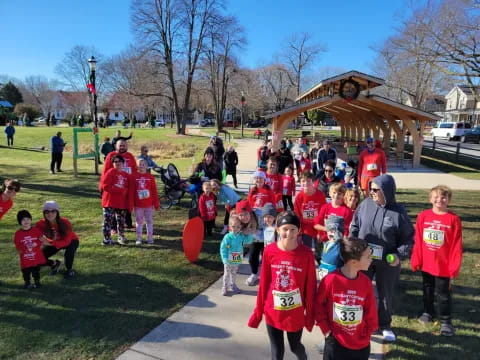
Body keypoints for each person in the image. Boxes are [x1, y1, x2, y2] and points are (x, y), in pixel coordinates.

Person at [350, 174, 414, 342]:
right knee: (360, 290)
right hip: (365, 258)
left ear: (386, 191)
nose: (371, 193)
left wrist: (398, 255)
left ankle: (385, 325)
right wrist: (353, 244)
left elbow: (408, 239)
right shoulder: (365, 205)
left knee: (385, 293)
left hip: (387, 261)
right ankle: (361, 321)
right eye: (370, 189)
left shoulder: (399, 213)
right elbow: (355, 225)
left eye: (375, 190)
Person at [248, 211, 317, 360]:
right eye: (285, 229)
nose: (289, 233)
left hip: (295, 313)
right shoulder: (270, 251)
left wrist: (310, 314)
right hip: (273, 310)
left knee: (295, 346)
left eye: (293, 229)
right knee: (276, 350)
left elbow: (310, 286)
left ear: (299, 231)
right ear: (277, 230)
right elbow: (264, 284)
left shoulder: (306, 254)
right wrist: (258, 311)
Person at [410, 185, 463, 337]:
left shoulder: (453, 219)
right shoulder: (423, 216)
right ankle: (427, 312)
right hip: (427, 263)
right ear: (430, 199)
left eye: (444, 197)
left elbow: (456, 245)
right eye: (436, 196)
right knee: (427, 289)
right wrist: (416, 259)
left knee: (443, 294)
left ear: (449, 200)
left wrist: (453, 267)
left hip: (443, 266)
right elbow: (418, 240)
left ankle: (446, 321)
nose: (440, 200)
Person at [316, 237, 379, 360]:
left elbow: (370, 311)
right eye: (367, 257)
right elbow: (318, 305)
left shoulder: (366, 282)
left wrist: (367, 334)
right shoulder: (331, 280)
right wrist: (326, 330)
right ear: (353, 262)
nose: (371, 260)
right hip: (335, 343)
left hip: (360, 345)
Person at [246, 171, 276, 286]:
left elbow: (273, 207)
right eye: (256, 178)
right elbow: (248, 206)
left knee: (266, 253)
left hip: (266, 224)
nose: (258, 180)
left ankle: (265, 275)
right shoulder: (252, 191)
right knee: (253, 254)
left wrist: (271, 222)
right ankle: (254, 274)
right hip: (255, 225)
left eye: (260, 178)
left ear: (264, 180)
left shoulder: (269, 191)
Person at [36, 201, 80, 278]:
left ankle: (69, 270)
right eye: (47, 211)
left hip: (71, 241)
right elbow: (35, 237)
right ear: (44, 213)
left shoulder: (65, 222)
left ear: (57, 212)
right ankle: (55, 264)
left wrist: (50, 243)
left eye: (53, 211)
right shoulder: (40, 224)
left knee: (69, 252)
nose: (50, 214)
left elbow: (66, 242)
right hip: (53, 242)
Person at [100, 155, 133, 245]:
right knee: (108, 221)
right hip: (109, 201)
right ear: (113, 163)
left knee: (121, 221)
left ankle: (121, 237)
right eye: (115, 161)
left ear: (123, 163)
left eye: (119, 161)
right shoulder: (110, 172)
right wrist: (120, 190)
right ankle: (106, 239)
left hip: (121, 203)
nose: (117, 163)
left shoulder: (126, 175)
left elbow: (128, 189)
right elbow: (105, 186)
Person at [220, 216, 253, 296]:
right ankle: (225, 287)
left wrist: (248, 234)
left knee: (234, 273)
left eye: (238, 226)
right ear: (230, 227)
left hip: (237, 259)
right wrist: (224, 259)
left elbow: (249, 241)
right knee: (227, 274)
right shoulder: (228, 237)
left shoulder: (241, 236)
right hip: (228, 260)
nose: (236, 228)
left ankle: (233, 285)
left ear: (241, 227)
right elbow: (223, 248)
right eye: (233, 226)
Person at [294, 171, 326, 251]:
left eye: (308, 180)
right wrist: (299, 233)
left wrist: (320, 232)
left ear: (313, 182)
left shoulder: (320, 195)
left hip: (318, 226)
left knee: (319, 252)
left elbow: (323, 214)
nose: (305, 183)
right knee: (306, 251)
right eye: (303, 181)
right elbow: (297, 216)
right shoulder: (299, 197)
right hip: (305, 228)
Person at [14, 210, 46, 288]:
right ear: (20, 222)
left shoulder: (36, 230)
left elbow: (42, 239)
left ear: (31, 220)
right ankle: (27, 282)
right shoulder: (18, 234)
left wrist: (37, 243)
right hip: (25, 258)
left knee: (36, 270)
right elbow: (17, 244)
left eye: (28, 219)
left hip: (35, 257)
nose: (26, 221)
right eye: (23, 219)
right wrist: (25, 247)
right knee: (26, 271)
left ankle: (37, 281)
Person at [132, 158, 160, 245]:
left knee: (149, 221)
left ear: (147, 166)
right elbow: (132, 191)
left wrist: (156, 203)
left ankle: (150, 238)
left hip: (148, 204)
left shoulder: (150, 177)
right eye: (139, 164)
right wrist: (131, 204)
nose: (141, 166)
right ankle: (139, 238)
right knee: (139, 222)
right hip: (138, 205)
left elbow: (154, 191)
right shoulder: (134, 177)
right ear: (136, 166)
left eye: (143, 164)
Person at [317, 215, 345, 280]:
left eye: (333, 230)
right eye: (329, 230)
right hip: (323, 274)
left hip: (335, 276)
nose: (330, 233)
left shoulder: (341, 246)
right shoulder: (326, 243)